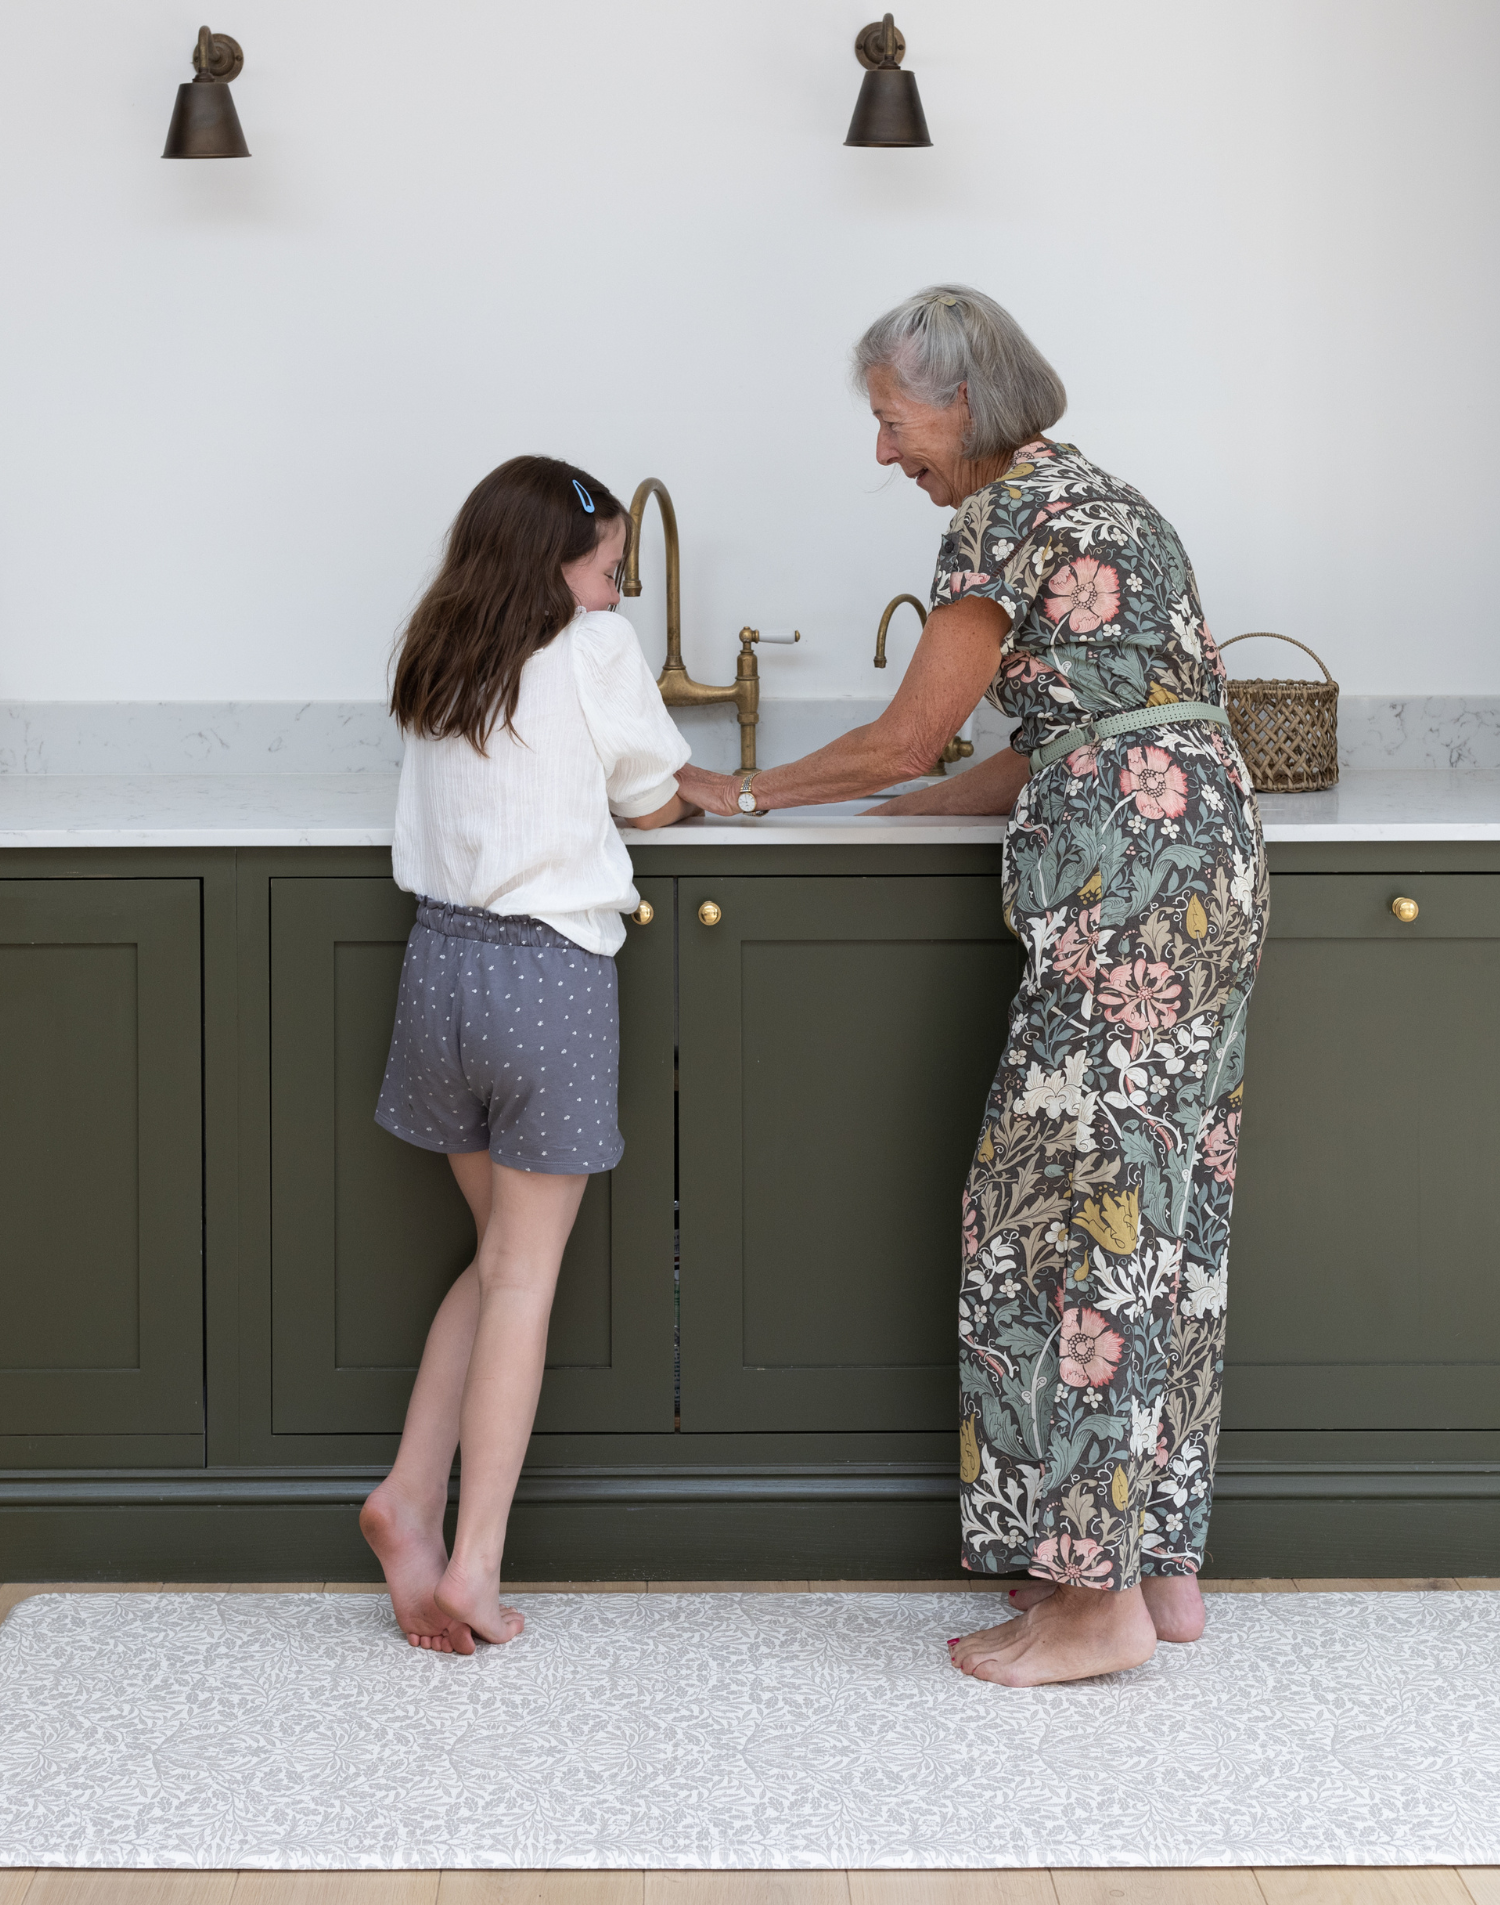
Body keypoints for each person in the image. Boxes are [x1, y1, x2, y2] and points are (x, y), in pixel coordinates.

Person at [678, 286, 1269, 1687]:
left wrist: (739, 794)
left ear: (960, 403)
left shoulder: (998, 517)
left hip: (1124, 892)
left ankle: (1084, 1609)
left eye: (892, 420)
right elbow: (1093, 718)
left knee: (1068, 1220)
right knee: (1168, 1214)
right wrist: (930, 808)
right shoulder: (1111, 503)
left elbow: (900, 736)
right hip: (1205, 861)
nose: (886, 452)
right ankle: (1158, 1568)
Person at [360, 455, 696, 1654]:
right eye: (607, 571)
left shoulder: (444, 651)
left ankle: (407, 1500)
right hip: (546, 976)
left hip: (437, 971)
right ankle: (475, 1562)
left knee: (498, 1255)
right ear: (555, 569)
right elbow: (652, 798)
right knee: (524, 1278)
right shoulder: (594, 650)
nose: (615, 593)